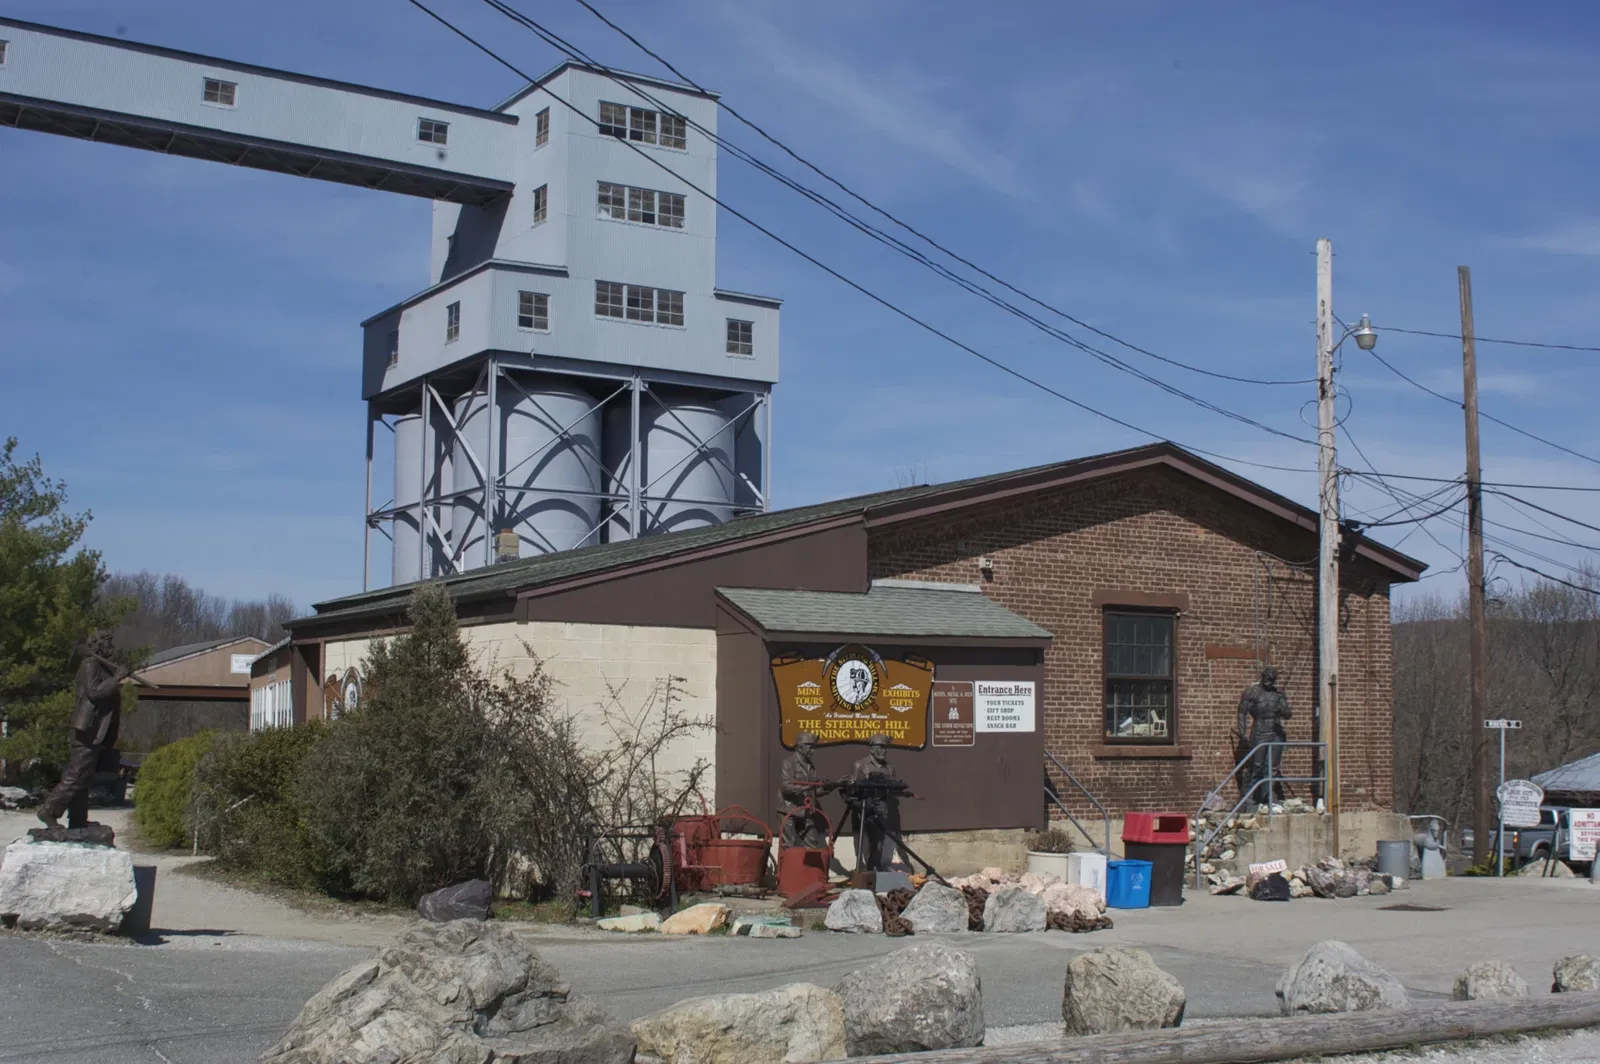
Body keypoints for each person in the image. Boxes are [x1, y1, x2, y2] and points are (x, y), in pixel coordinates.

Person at [38, 632, 133, 831]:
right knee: (77, 773)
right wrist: (116, 679)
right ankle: (49, 810)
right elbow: (94, 692)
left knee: (85, 776)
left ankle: (78, 821)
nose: (111, 647)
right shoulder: (90, 664)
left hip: (95, 731)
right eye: (108, 643)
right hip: (86, 729)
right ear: (98, 645)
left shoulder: (101, 665)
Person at [845, 734, 905, 872]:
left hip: (881, 810)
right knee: (863, 843)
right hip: (863, 809)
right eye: (880, 747)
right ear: (871, 749)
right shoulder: (859, 765)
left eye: (885, 748)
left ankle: (875, 868)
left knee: (879, 842)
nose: (883, 751)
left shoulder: (890, 769)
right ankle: (864, 871)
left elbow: (892, 792)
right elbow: (851, 789)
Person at [1237, 665, 1292, 809]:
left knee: (1272, 766)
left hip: (1275, 732)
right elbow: (1242, 712)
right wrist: (1242, 732)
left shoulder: (1278, 694)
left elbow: (1288, 714)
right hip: (1260, 731)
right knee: (1257, 764)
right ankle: (1249, 794)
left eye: (1272, 679)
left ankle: (1269, 794)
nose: (1269, 681)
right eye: (1267, 678)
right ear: (1263, 676)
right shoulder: (1252, 693)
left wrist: (1284, 709)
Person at [779, 731, 831, 849]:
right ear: (799, 747)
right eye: (810, 747)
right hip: (789, 811)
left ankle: (807, 868)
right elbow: (786, 787)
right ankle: (789, 868)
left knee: (812, 843)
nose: (813, 750)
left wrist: (827, 789)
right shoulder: (788, 763)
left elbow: (815, 791)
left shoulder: (810, 766)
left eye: (813, 747)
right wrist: (807, 786)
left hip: (807, 811)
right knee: (789, 847)